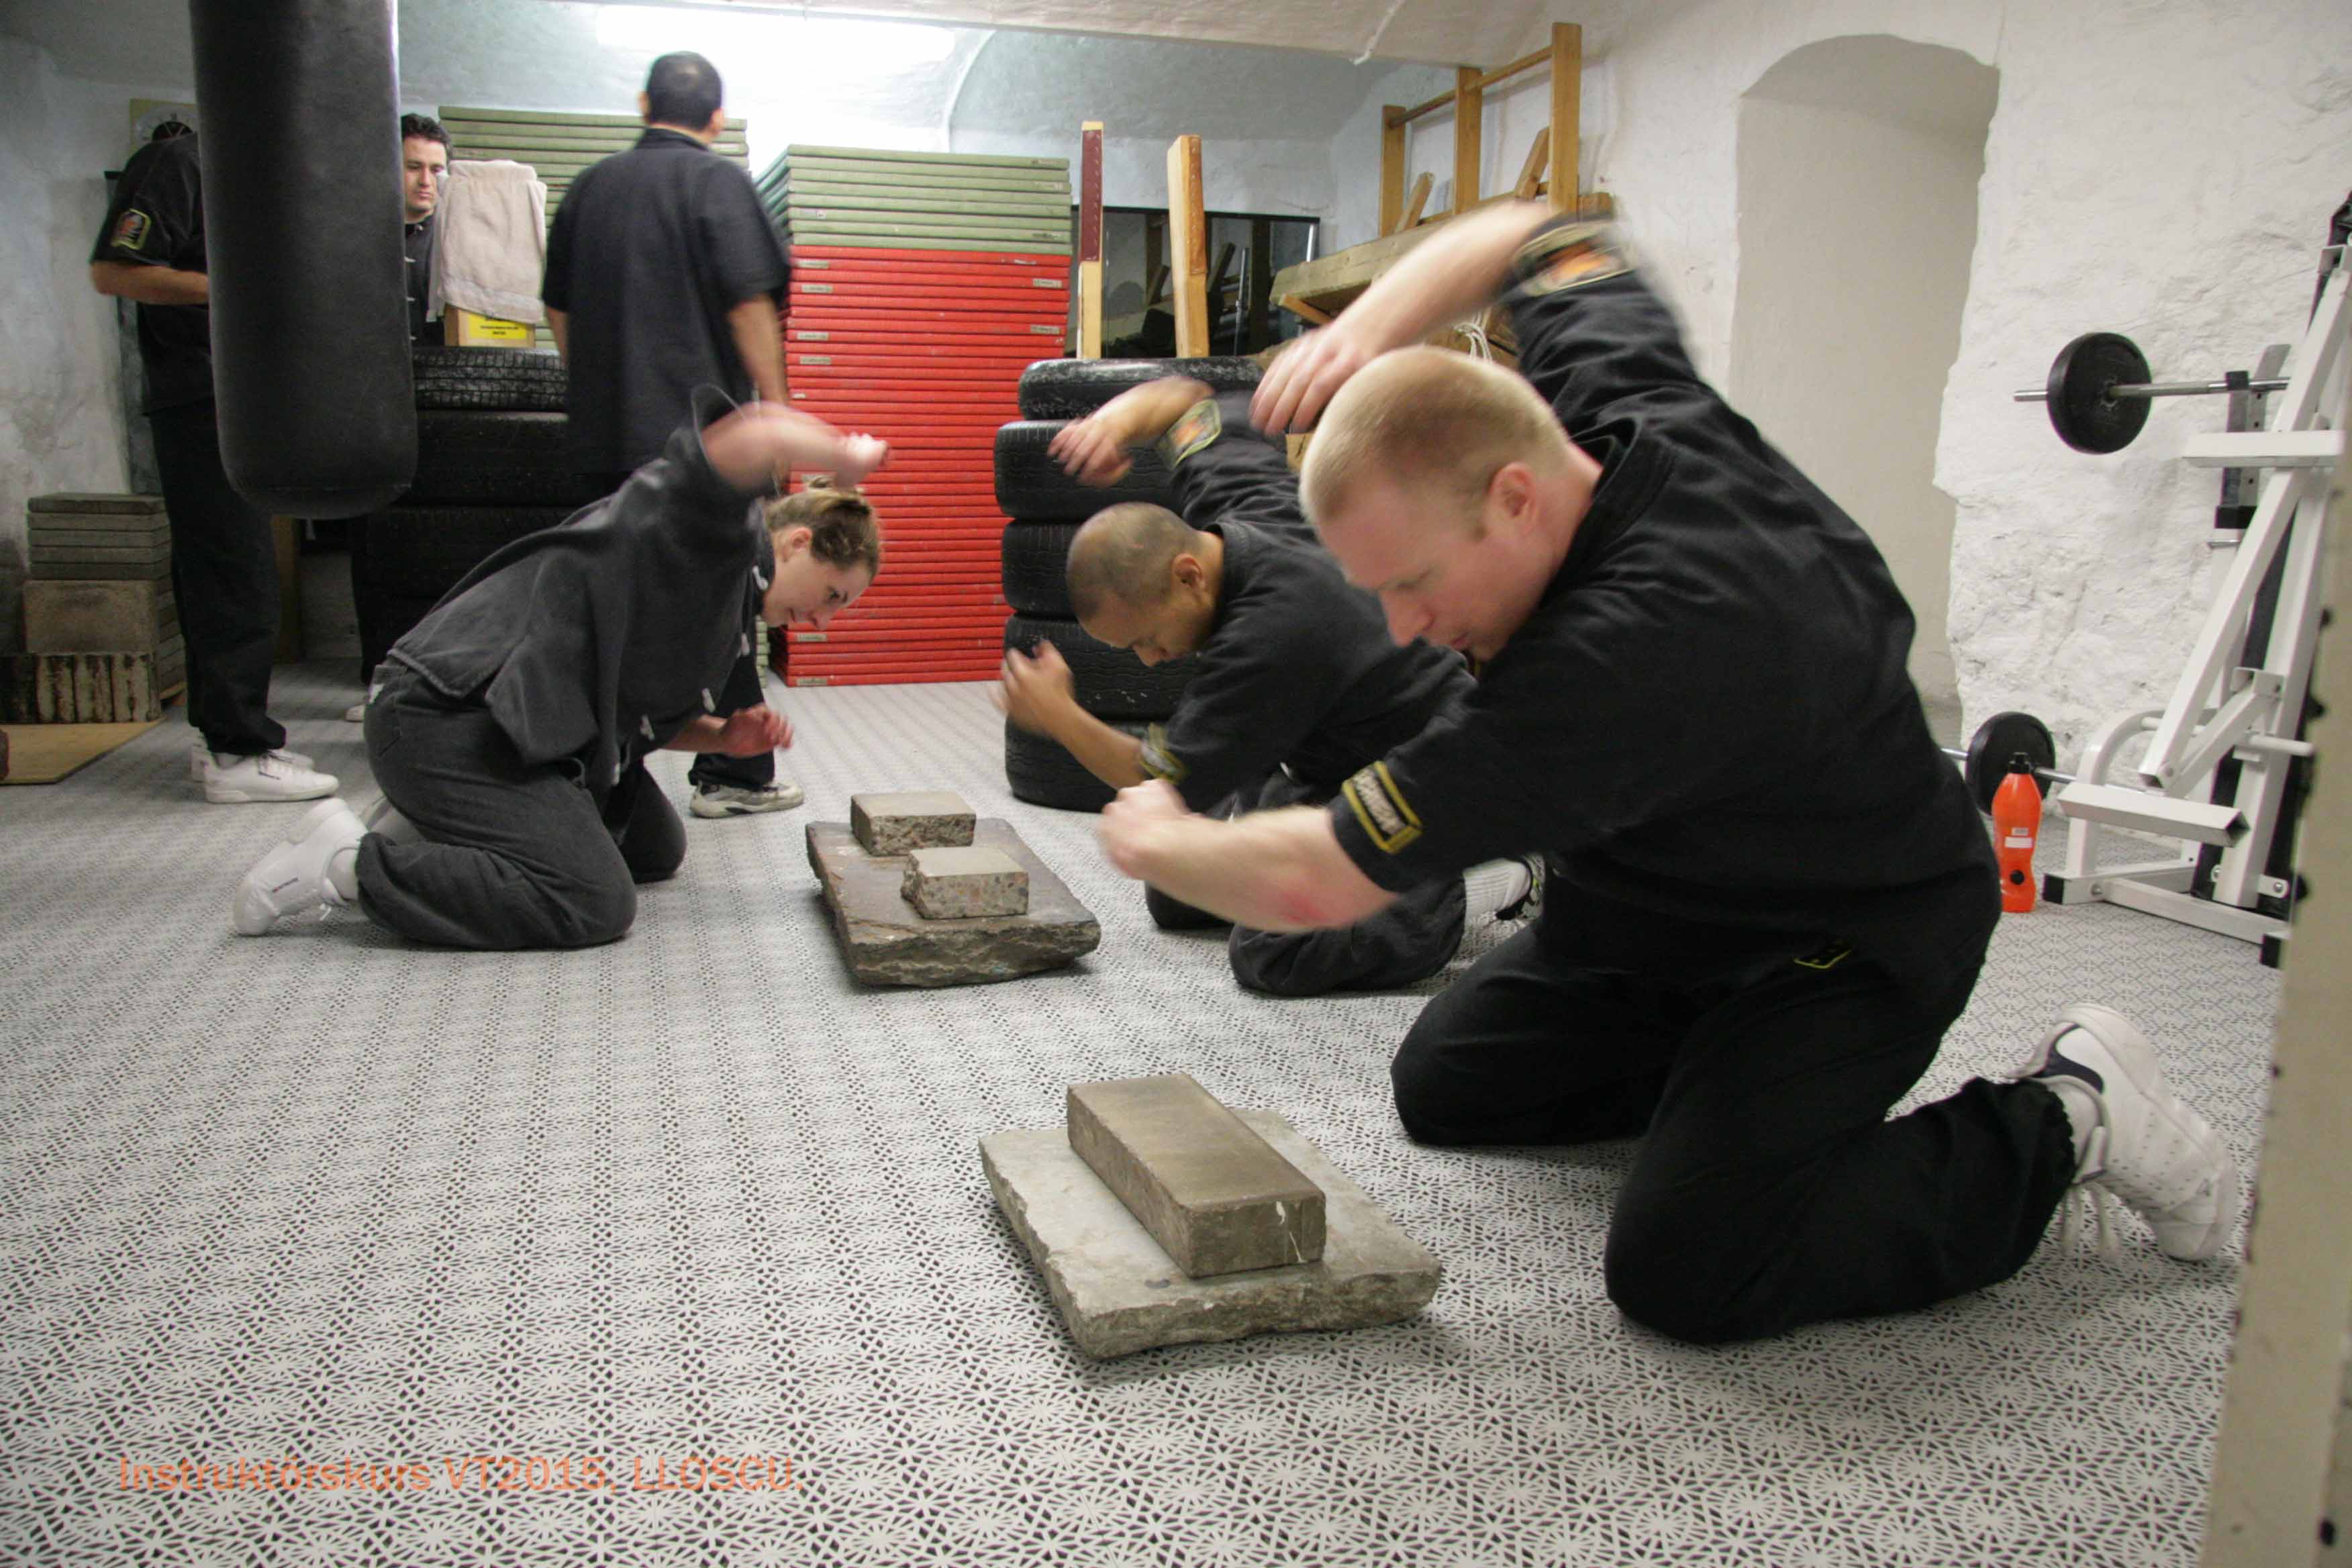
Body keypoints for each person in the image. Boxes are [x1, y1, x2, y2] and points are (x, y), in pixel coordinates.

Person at [1093, 202, 2239, 1344]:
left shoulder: (1635, 654)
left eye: (1414, 582)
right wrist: (1377, 324)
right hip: (1656, 912)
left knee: (1691, 1267)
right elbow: (1539, 235)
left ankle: (2068, 1115)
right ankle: (1728, 1089)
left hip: (1843, 935)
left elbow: (1320, 883)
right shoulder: (1612, 412)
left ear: (1512, 498)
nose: (1398, 629)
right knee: (1444, 1086)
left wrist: (1158, 835)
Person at [228, 399, 885, 948]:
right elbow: (752, 434)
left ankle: (443, 824)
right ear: (797, 543)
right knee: (593, 898)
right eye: (833, 595)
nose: (823, 621)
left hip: (516, 729)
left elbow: (635, 713)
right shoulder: (713, 538)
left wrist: (721, 737)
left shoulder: (725, 609)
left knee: (655, 845)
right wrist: (842, 456)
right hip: (444, 714)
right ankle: (347, 862)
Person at [999, 375, 1540, 995]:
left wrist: (1059, 714)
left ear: (1187, 577)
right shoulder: (1233, 509)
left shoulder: (1271, 639)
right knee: (1180, 894)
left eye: (1147, 638)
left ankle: (1506, 874)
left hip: (1429, 767)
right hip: (1327, 747)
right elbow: (1184, 399)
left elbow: (1156, 785)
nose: (1149, 662)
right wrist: (1115, 423)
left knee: (1273, 953)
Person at [541, 50, 799, 821]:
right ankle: (731, 773)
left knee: (609, 612)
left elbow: (561, 314)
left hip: (604, 442)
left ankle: (596, 774)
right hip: (700, 450)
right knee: (718, 604)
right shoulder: (719, 184)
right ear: (716, 119)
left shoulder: (589, 189)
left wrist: (599, 391)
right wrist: (778, 419)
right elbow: (750, 308)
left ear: (643, 101)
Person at [89, 124, 336, 805]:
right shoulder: (180, 160)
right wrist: (232, 290)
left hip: (238, 402)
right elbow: (114, 270)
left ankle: (220, 742)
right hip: (201, 400)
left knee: (224, 571)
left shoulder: (248, 184)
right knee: (237, 573)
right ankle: (239, 751)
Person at [400, 113, 451, 345]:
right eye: (413, 167)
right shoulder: (361, 238)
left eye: (436, 170)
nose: (425, 181)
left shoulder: (456, 241)